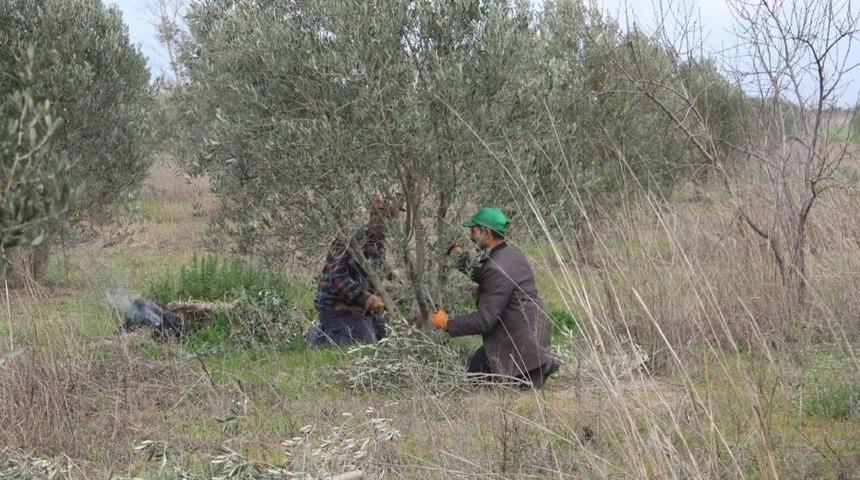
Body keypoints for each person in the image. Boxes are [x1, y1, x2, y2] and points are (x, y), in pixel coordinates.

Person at [430, 207, 558, 389]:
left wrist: (447, 323)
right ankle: (539, 365)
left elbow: (484, 321)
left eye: (473, 231)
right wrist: (459, 258)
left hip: (518, 344)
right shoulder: (511, 254)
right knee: (474, 368)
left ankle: (537, 368)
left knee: (475, 380)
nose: (471, 236)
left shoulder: (496, 268)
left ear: (486, 233)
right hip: (529, 334)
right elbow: (486, 275)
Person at [308, 195, 393, 347]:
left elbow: (376, 271)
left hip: (357, 308)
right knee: (364, 344)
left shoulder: (379, 243)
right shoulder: (353, 239)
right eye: (385, 216)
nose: (389, 222)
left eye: (392, 217)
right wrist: (366, 297)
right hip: (336, 307)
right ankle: (319, 337)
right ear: (372, 216)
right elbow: (337, 276)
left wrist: (391, 276)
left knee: (383, 332)